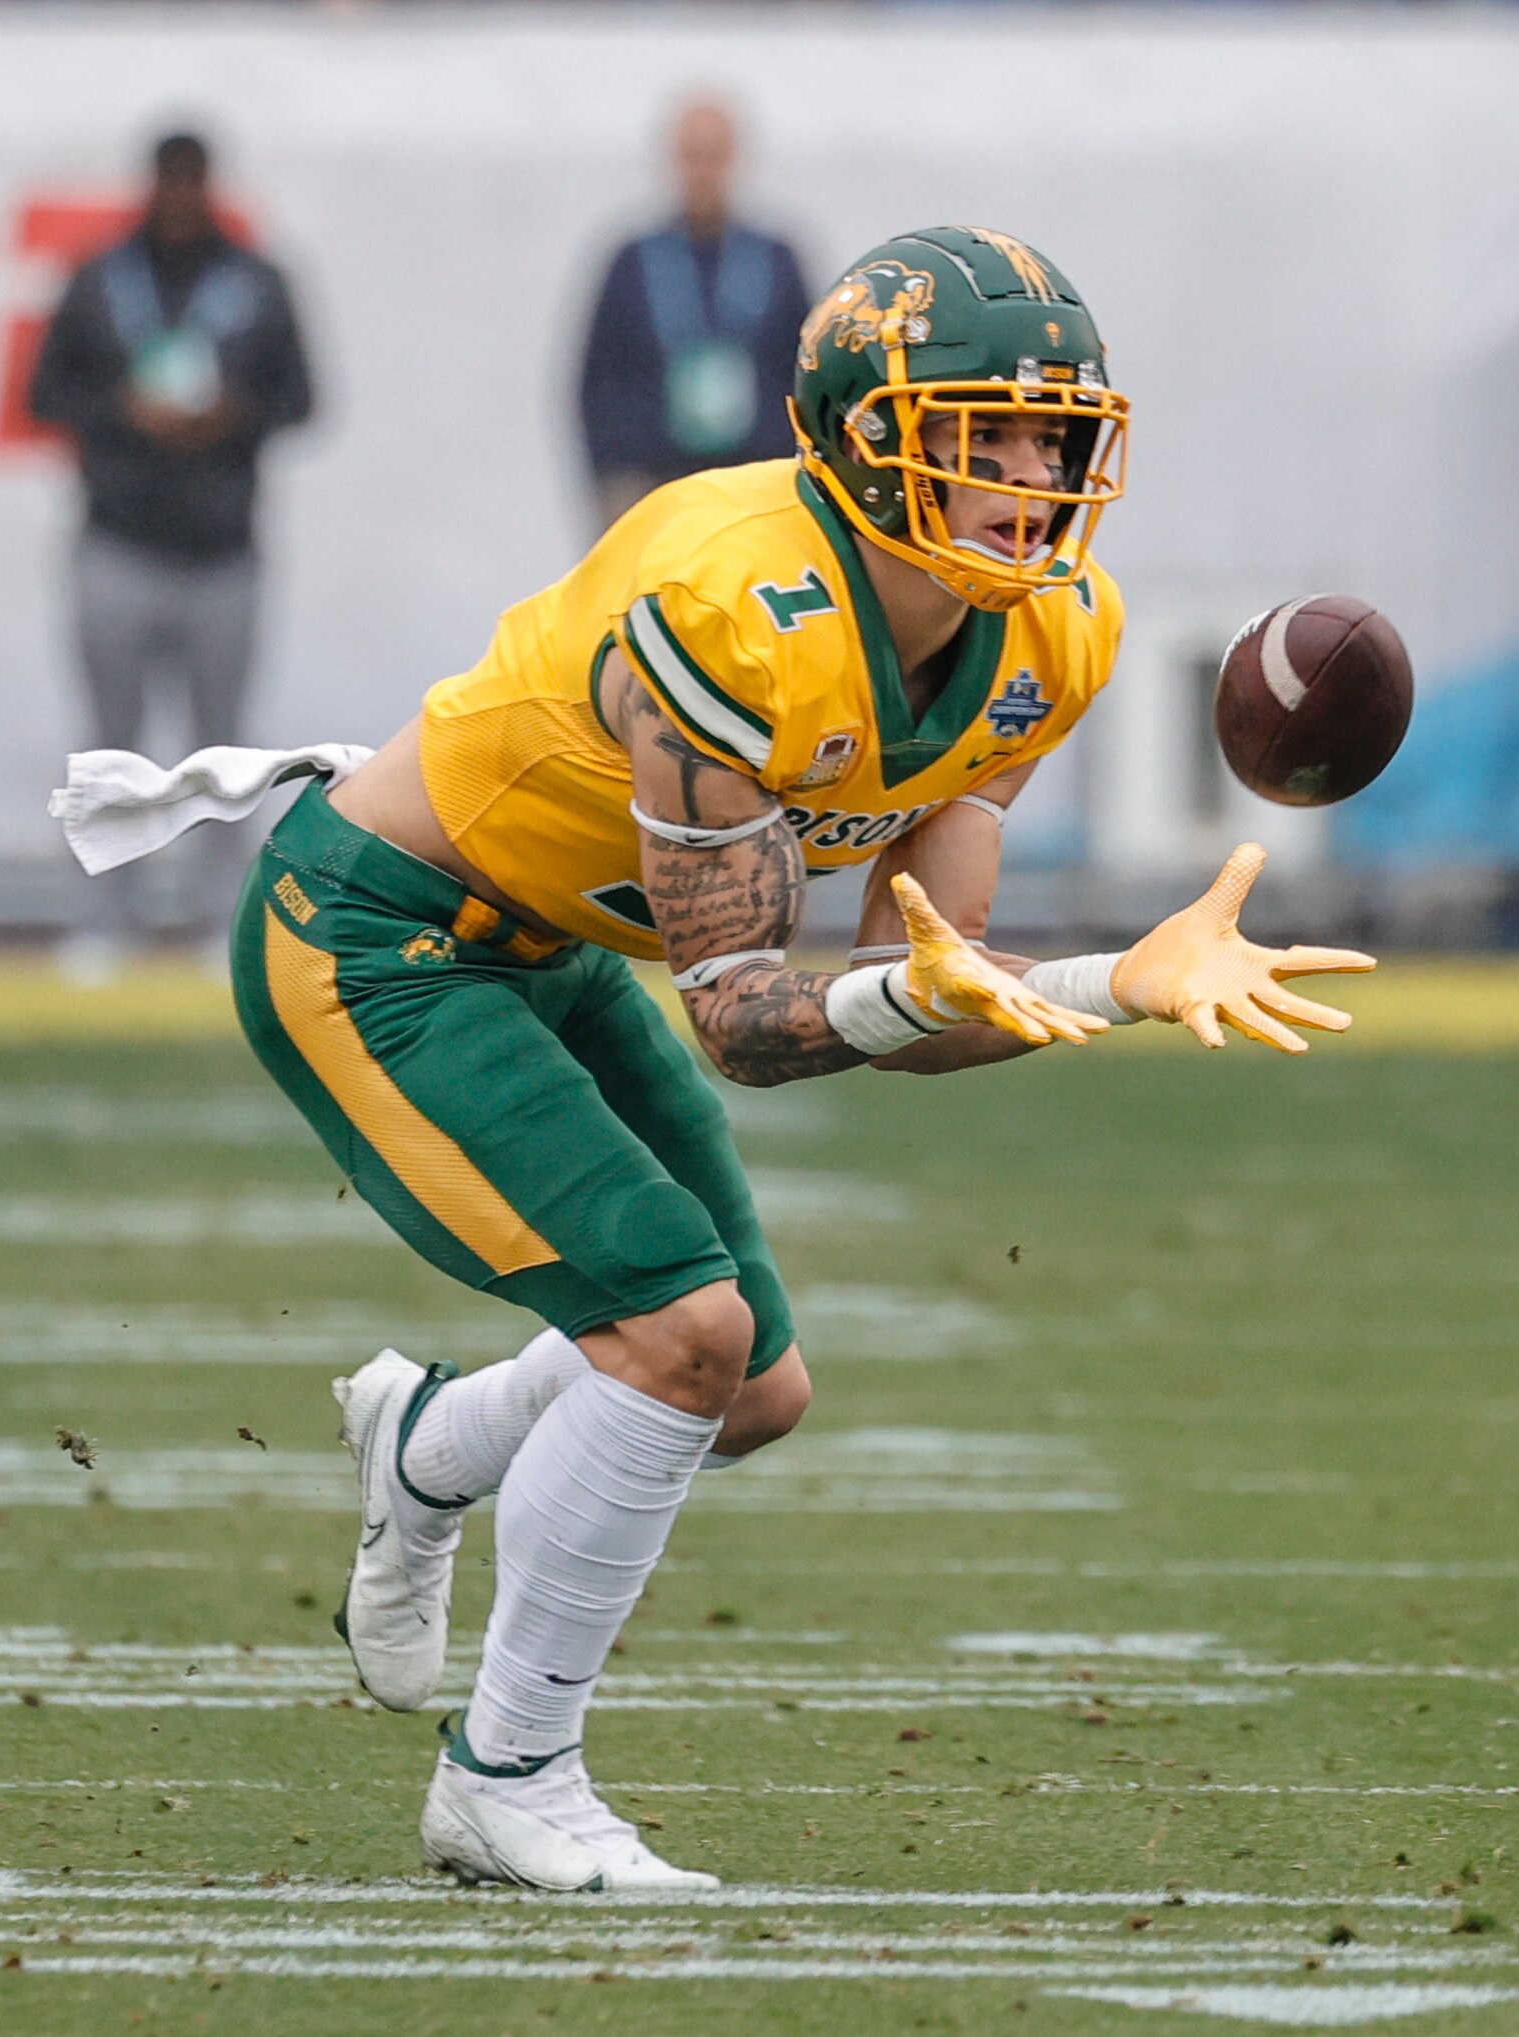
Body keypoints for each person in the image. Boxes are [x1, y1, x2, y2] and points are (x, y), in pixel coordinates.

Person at [192, 228, 1369, 1890]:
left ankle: (426, 1446)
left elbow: (915, 994)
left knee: (751, 1391)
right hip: (380, 937)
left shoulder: (1047, 635)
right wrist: (1072, 978)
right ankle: (507, 1774)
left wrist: (1122, 984)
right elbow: (746, 1023)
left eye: (1055, 440)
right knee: (684, 1332)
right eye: (987, 433)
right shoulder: (732, 602)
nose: (1034, 481)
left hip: (554, 947)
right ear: (865, 437)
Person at [28, 131, 316, 977]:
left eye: (194, 183)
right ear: (152, 185)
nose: (182, 198)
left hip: (223, 548)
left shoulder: (256, 283)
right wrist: (124, 410)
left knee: (222, 753)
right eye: (171, 182)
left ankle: (222, 918)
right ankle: (101, 917)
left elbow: (303, 397)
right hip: (117, 539)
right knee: (109, 745)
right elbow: (45, 392)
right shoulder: (100, 279)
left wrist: (232, 414)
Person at [575, 98, 814, 531]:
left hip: (754, 489)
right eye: (692, 156)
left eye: (713, 155)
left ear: (735, 158)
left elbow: (807, 371)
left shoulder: (777, 260)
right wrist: (614, 483)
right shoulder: (632, 262)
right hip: (654, 487)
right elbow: (597, 379)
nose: (703, 171)